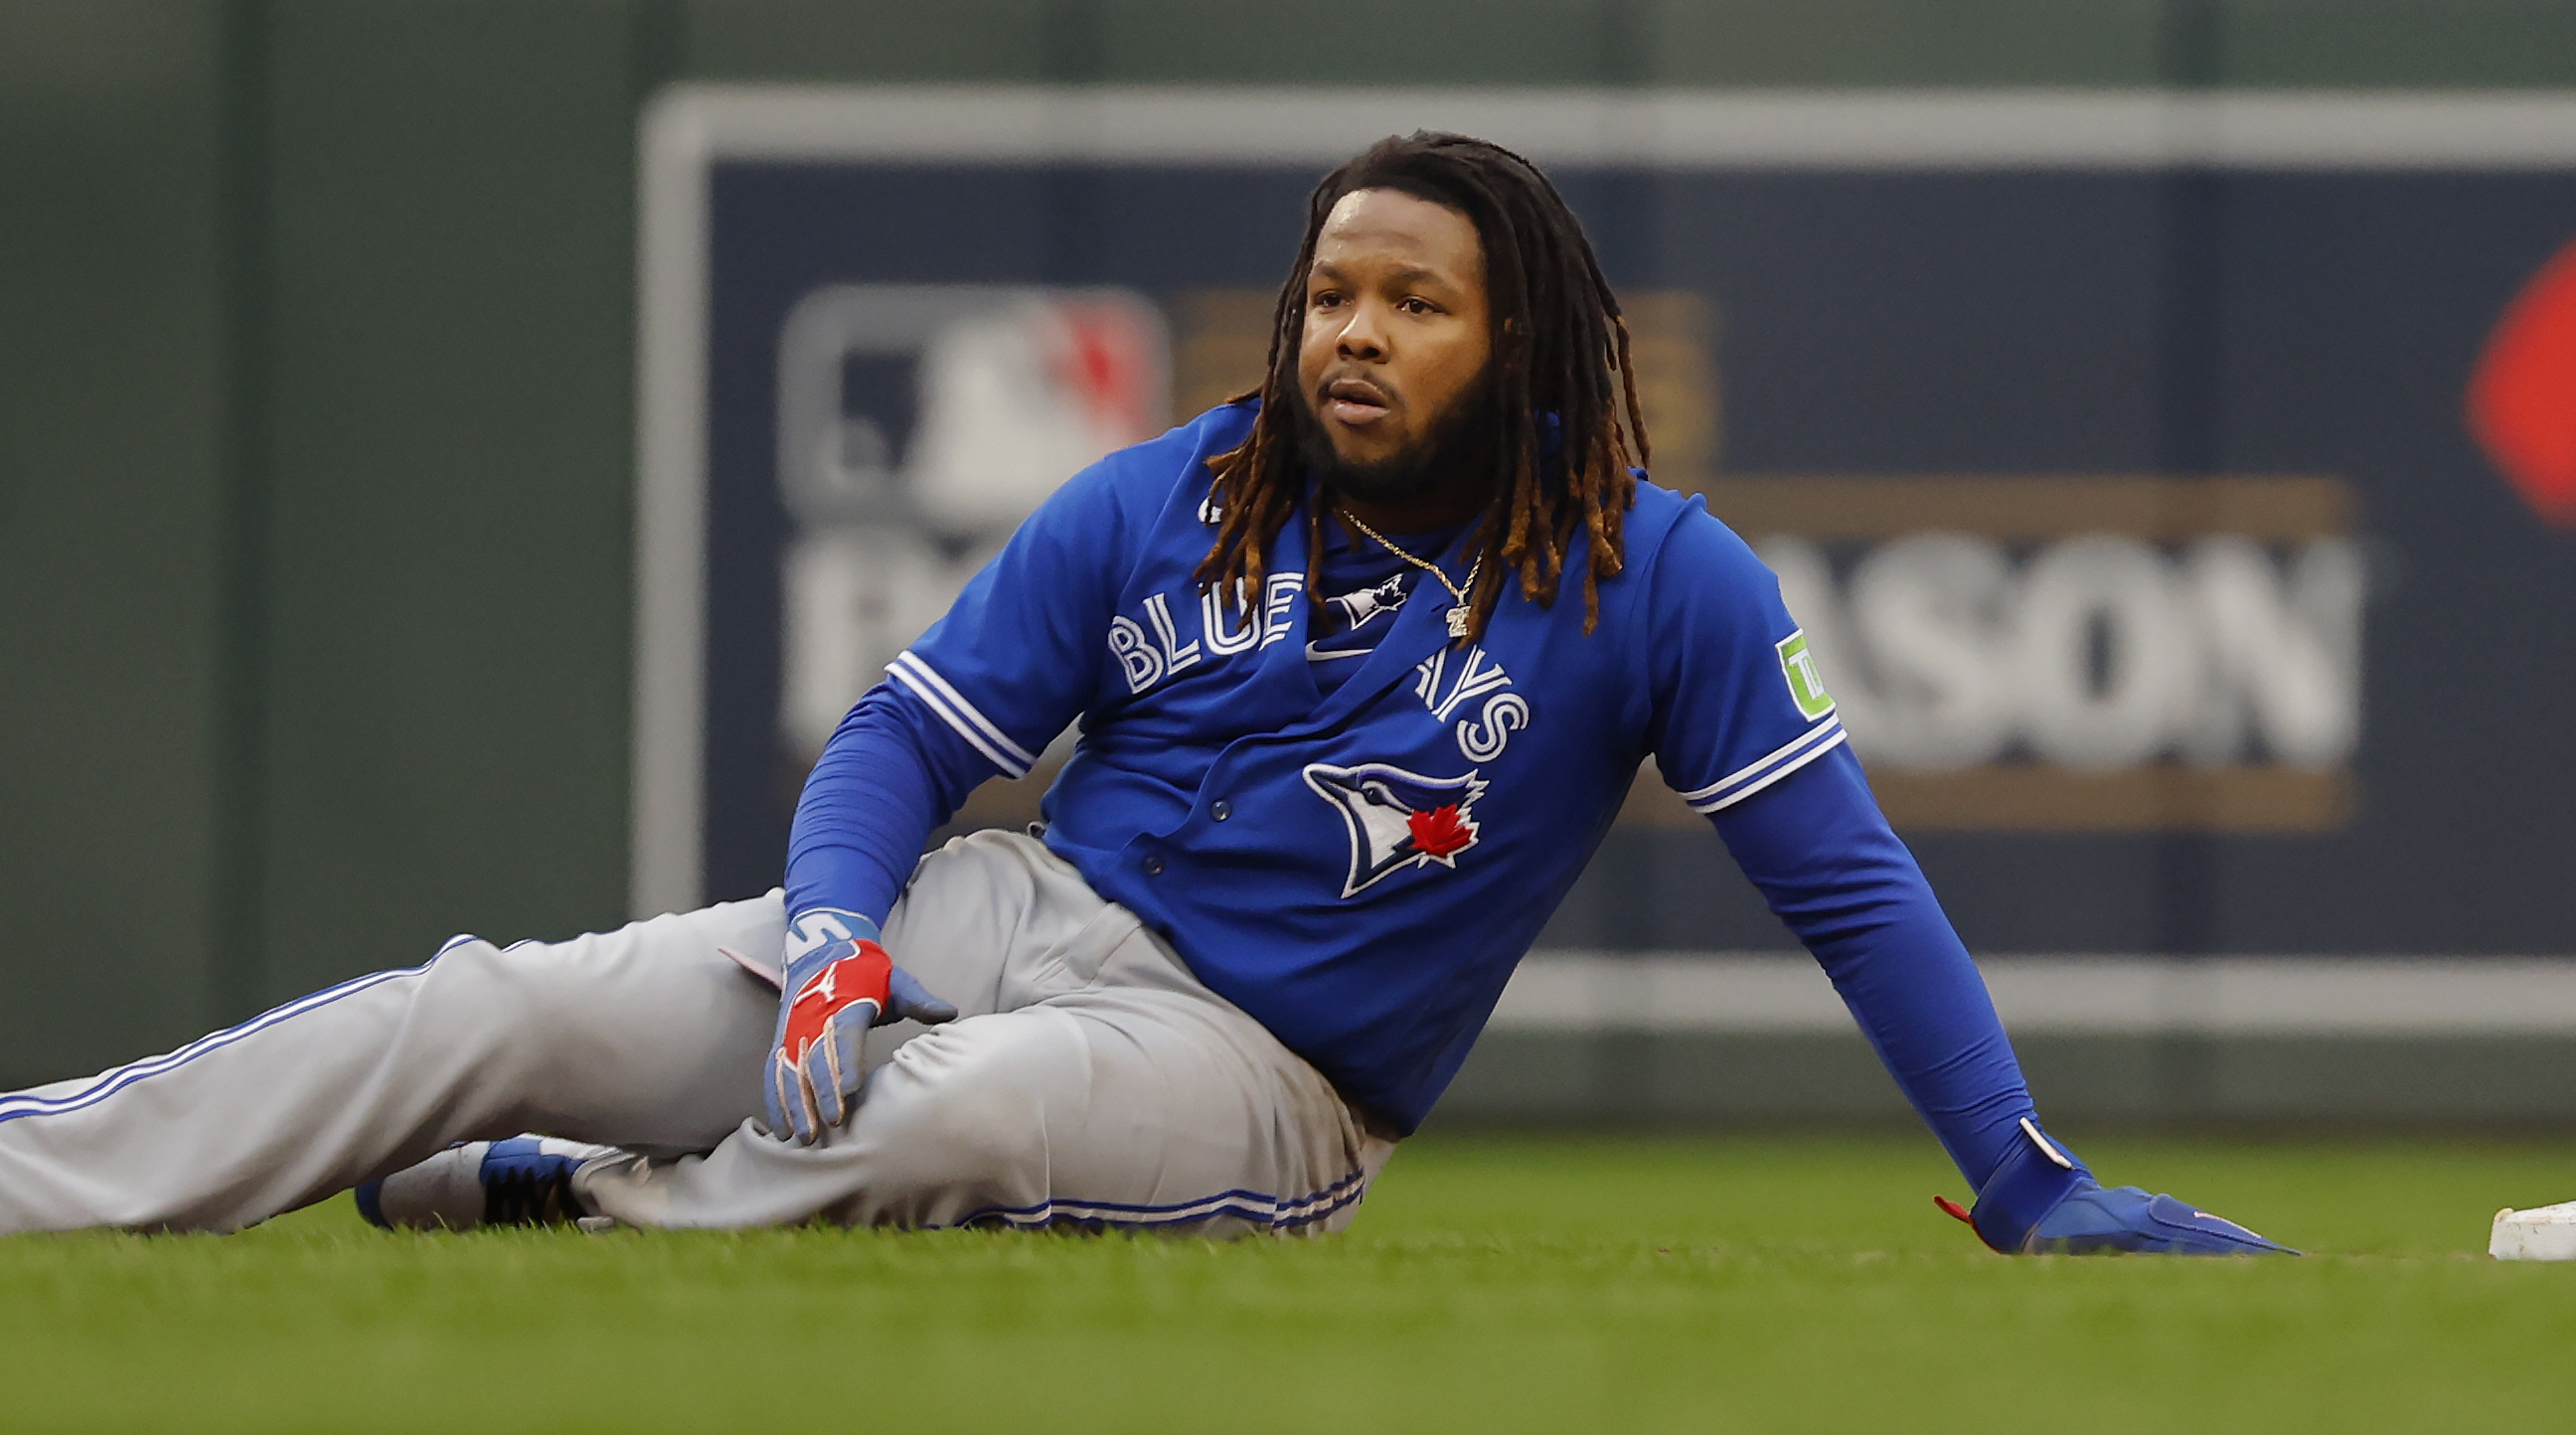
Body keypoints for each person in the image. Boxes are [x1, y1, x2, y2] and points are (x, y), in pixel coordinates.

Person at [0, 132, 2288, 1255]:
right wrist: (830, 933)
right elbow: (903, 741)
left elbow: (1854, 888)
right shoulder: (1173, 493)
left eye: (1417, 301)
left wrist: (2020, 1175)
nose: (1355, 333)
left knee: (949, 1119)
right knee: (479, 995)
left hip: (1263, 1068)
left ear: (1532, 343)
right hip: (1004, 914)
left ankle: (580, 1204)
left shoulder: (1644, 573)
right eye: (1330, 292)